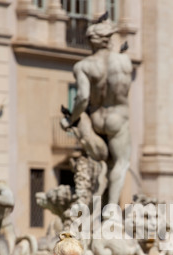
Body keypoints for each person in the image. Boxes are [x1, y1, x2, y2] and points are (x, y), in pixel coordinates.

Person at [60, 18, 132, 206]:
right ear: (109, 40)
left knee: (103, 165)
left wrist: (71, 120)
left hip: (95, 119)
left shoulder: (83, 66)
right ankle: (111, 210)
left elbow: (83, 97)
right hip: (118, 119)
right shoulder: (125, 62)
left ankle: (97, 205)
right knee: (121, 163)